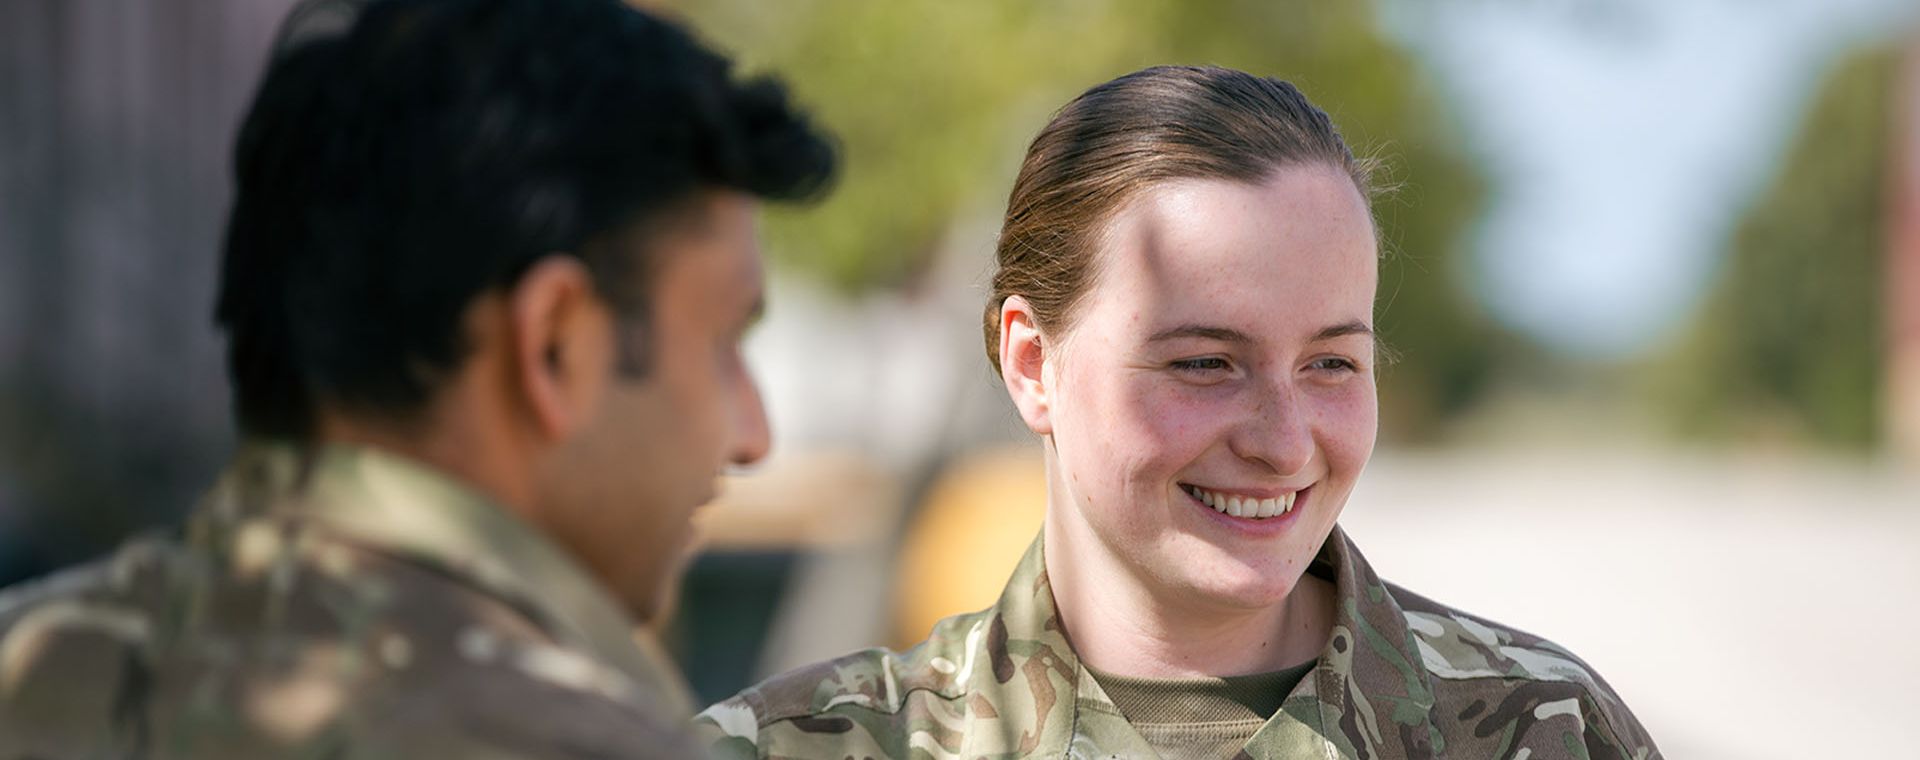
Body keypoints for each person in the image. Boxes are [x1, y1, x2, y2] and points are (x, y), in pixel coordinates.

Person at [695, 65, 1660, 760]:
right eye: (1204, 363)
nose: (1283, 441)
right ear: (1033, 364)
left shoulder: (1547, 730)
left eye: (1332, 363)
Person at [0, 0, 833, 756]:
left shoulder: (28, 667)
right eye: (725, 340)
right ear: (554, 345)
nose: (751, 435)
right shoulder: (571, 742)